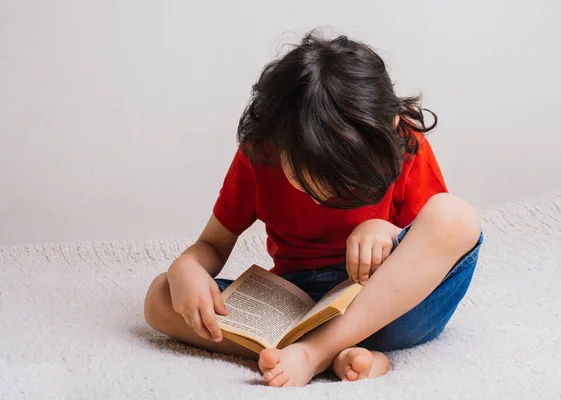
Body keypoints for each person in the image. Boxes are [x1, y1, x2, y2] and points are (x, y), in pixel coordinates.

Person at [144, 31, 483, 388]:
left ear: (390, 130)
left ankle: (312, 353)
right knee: (161, 298)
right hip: (299, 304)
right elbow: (213, 244)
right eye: (305, 180)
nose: (322, 198)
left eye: (347, 185)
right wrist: (187, 267)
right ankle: (335, 351)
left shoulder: (403, 144)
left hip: (387, 304)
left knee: (455, 215)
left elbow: (428, 249)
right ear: (278, 139)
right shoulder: (261, 153)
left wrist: (384, 231)